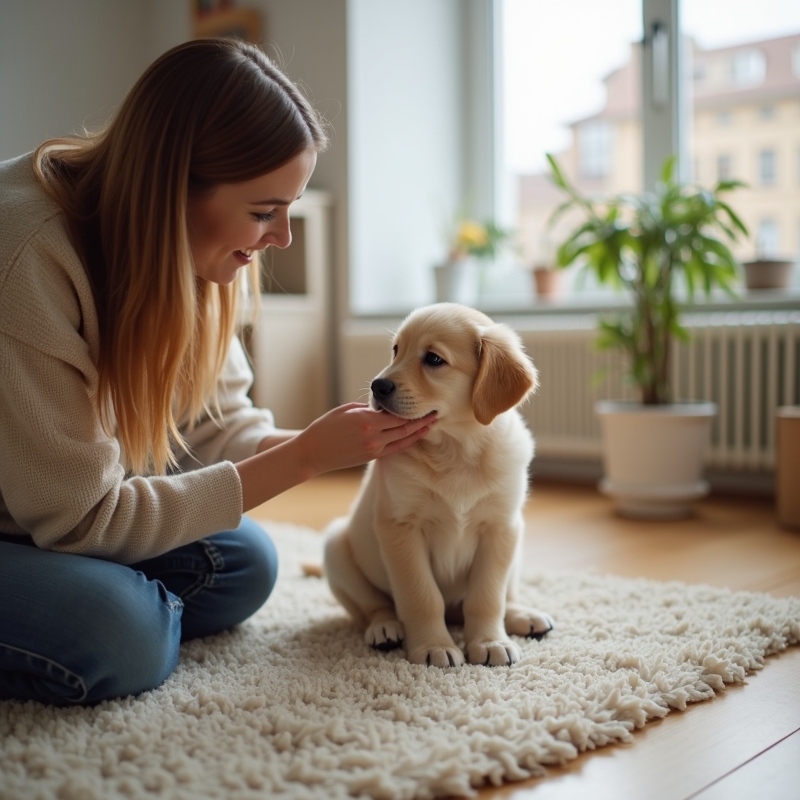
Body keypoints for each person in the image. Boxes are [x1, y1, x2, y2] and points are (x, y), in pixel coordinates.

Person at [0, 38, 435, 706]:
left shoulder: (185, 253)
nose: (282, 237)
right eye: (263, 212)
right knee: (124, 635)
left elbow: (216, 428)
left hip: (39, 512)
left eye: (288, 209)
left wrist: (336, 443)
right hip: (49, 516)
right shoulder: (27, 255)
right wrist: (305, 459)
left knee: (243, 562)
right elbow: (81, 520)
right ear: (173, 188)